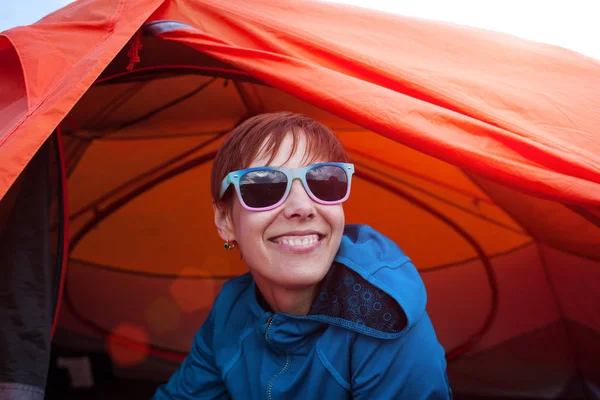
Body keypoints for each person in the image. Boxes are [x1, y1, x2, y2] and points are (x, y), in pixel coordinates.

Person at [152, 112, 451, 399]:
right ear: (225, 221)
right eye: (264, 185)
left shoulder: (383, 321)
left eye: (323, 181)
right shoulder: (230, 311)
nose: (303, 207)